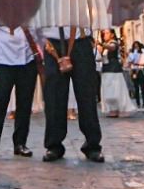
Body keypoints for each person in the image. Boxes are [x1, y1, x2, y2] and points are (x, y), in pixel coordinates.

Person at [40, 26, 104, 162]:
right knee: (54, 96)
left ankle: (92, 144)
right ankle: (54, 144)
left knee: (86, 93)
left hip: (80, 39)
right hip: (53, 41)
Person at [0, 24, 41, 160]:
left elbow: (37, 32)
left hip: (27, 59)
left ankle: (20, 143)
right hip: (4, 60)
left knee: (25, 104)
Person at [97, 32, 133, 117]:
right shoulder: (105, 46)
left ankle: (121, 108)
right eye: (104, 34)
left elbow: (112, 48)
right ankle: (113, 109)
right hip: (106, 69)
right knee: (108, 91)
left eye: (106, 33)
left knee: (116, 89)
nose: (104, 35)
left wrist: (101, 44)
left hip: (114, 70)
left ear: (112, 34)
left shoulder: (114, 43)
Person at [127, 41, 144, 109]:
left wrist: (139, 64)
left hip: (140, 71)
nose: (136, 47)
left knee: (143, 88)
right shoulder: (131, 53)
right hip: (134, 71)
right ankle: (138, 104)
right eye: (134, 46)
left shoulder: (142, 53)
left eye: (137, 46)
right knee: (136, 88)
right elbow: (129, 63)